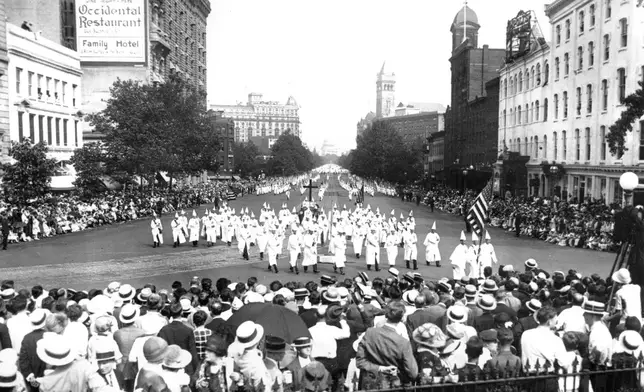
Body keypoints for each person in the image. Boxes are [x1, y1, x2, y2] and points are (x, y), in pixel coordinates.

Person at [356, 301, 418, 389]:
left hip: (371, 385)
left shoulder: (370, 332)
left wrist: (379, 368)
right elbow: (413, 373)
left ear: (386, 315)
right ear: (401, 318)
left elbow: (360, 362)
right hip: (393, 384)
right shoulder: (403, 343)